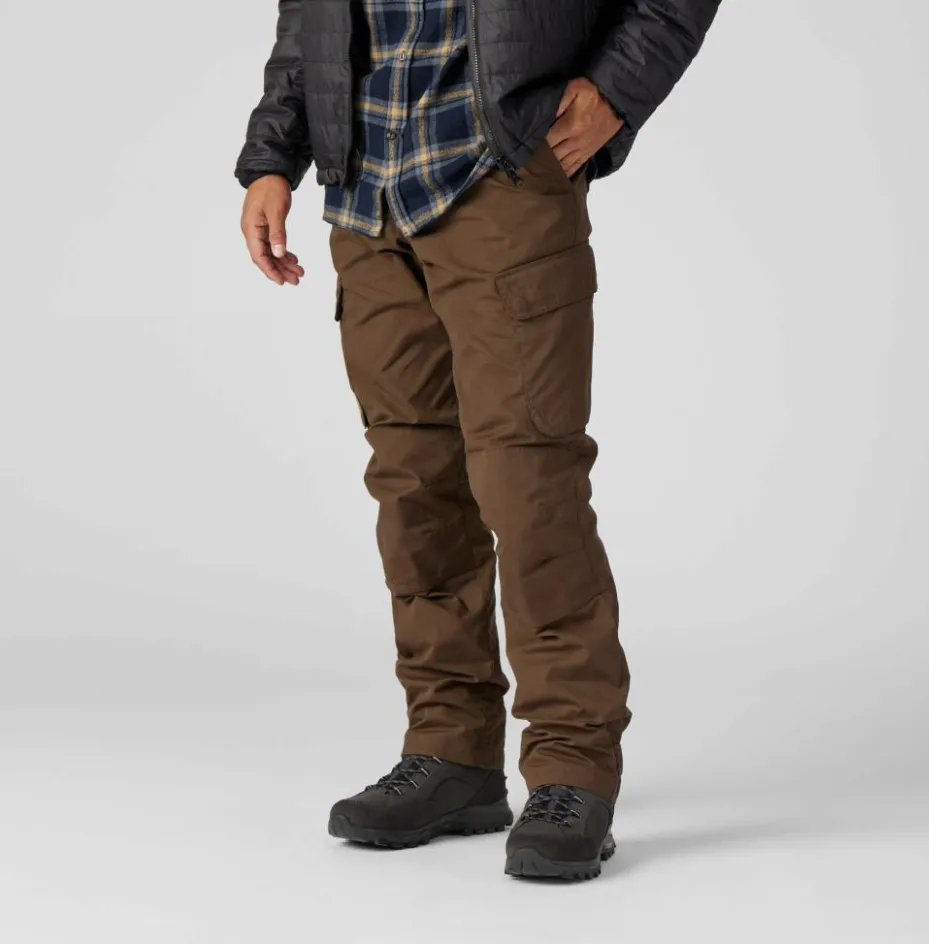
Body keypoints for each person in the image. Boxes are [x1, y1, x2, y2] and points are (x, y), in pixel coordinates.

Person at [236, 0, 720, 881]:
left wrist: (617, 90)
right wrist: (273, 155)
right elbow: (307, 16)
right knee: (413, 484)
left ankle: (572, 768)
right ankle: (452, 750)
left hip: (499, 172)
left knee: (528, 482)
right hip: (366, 192)